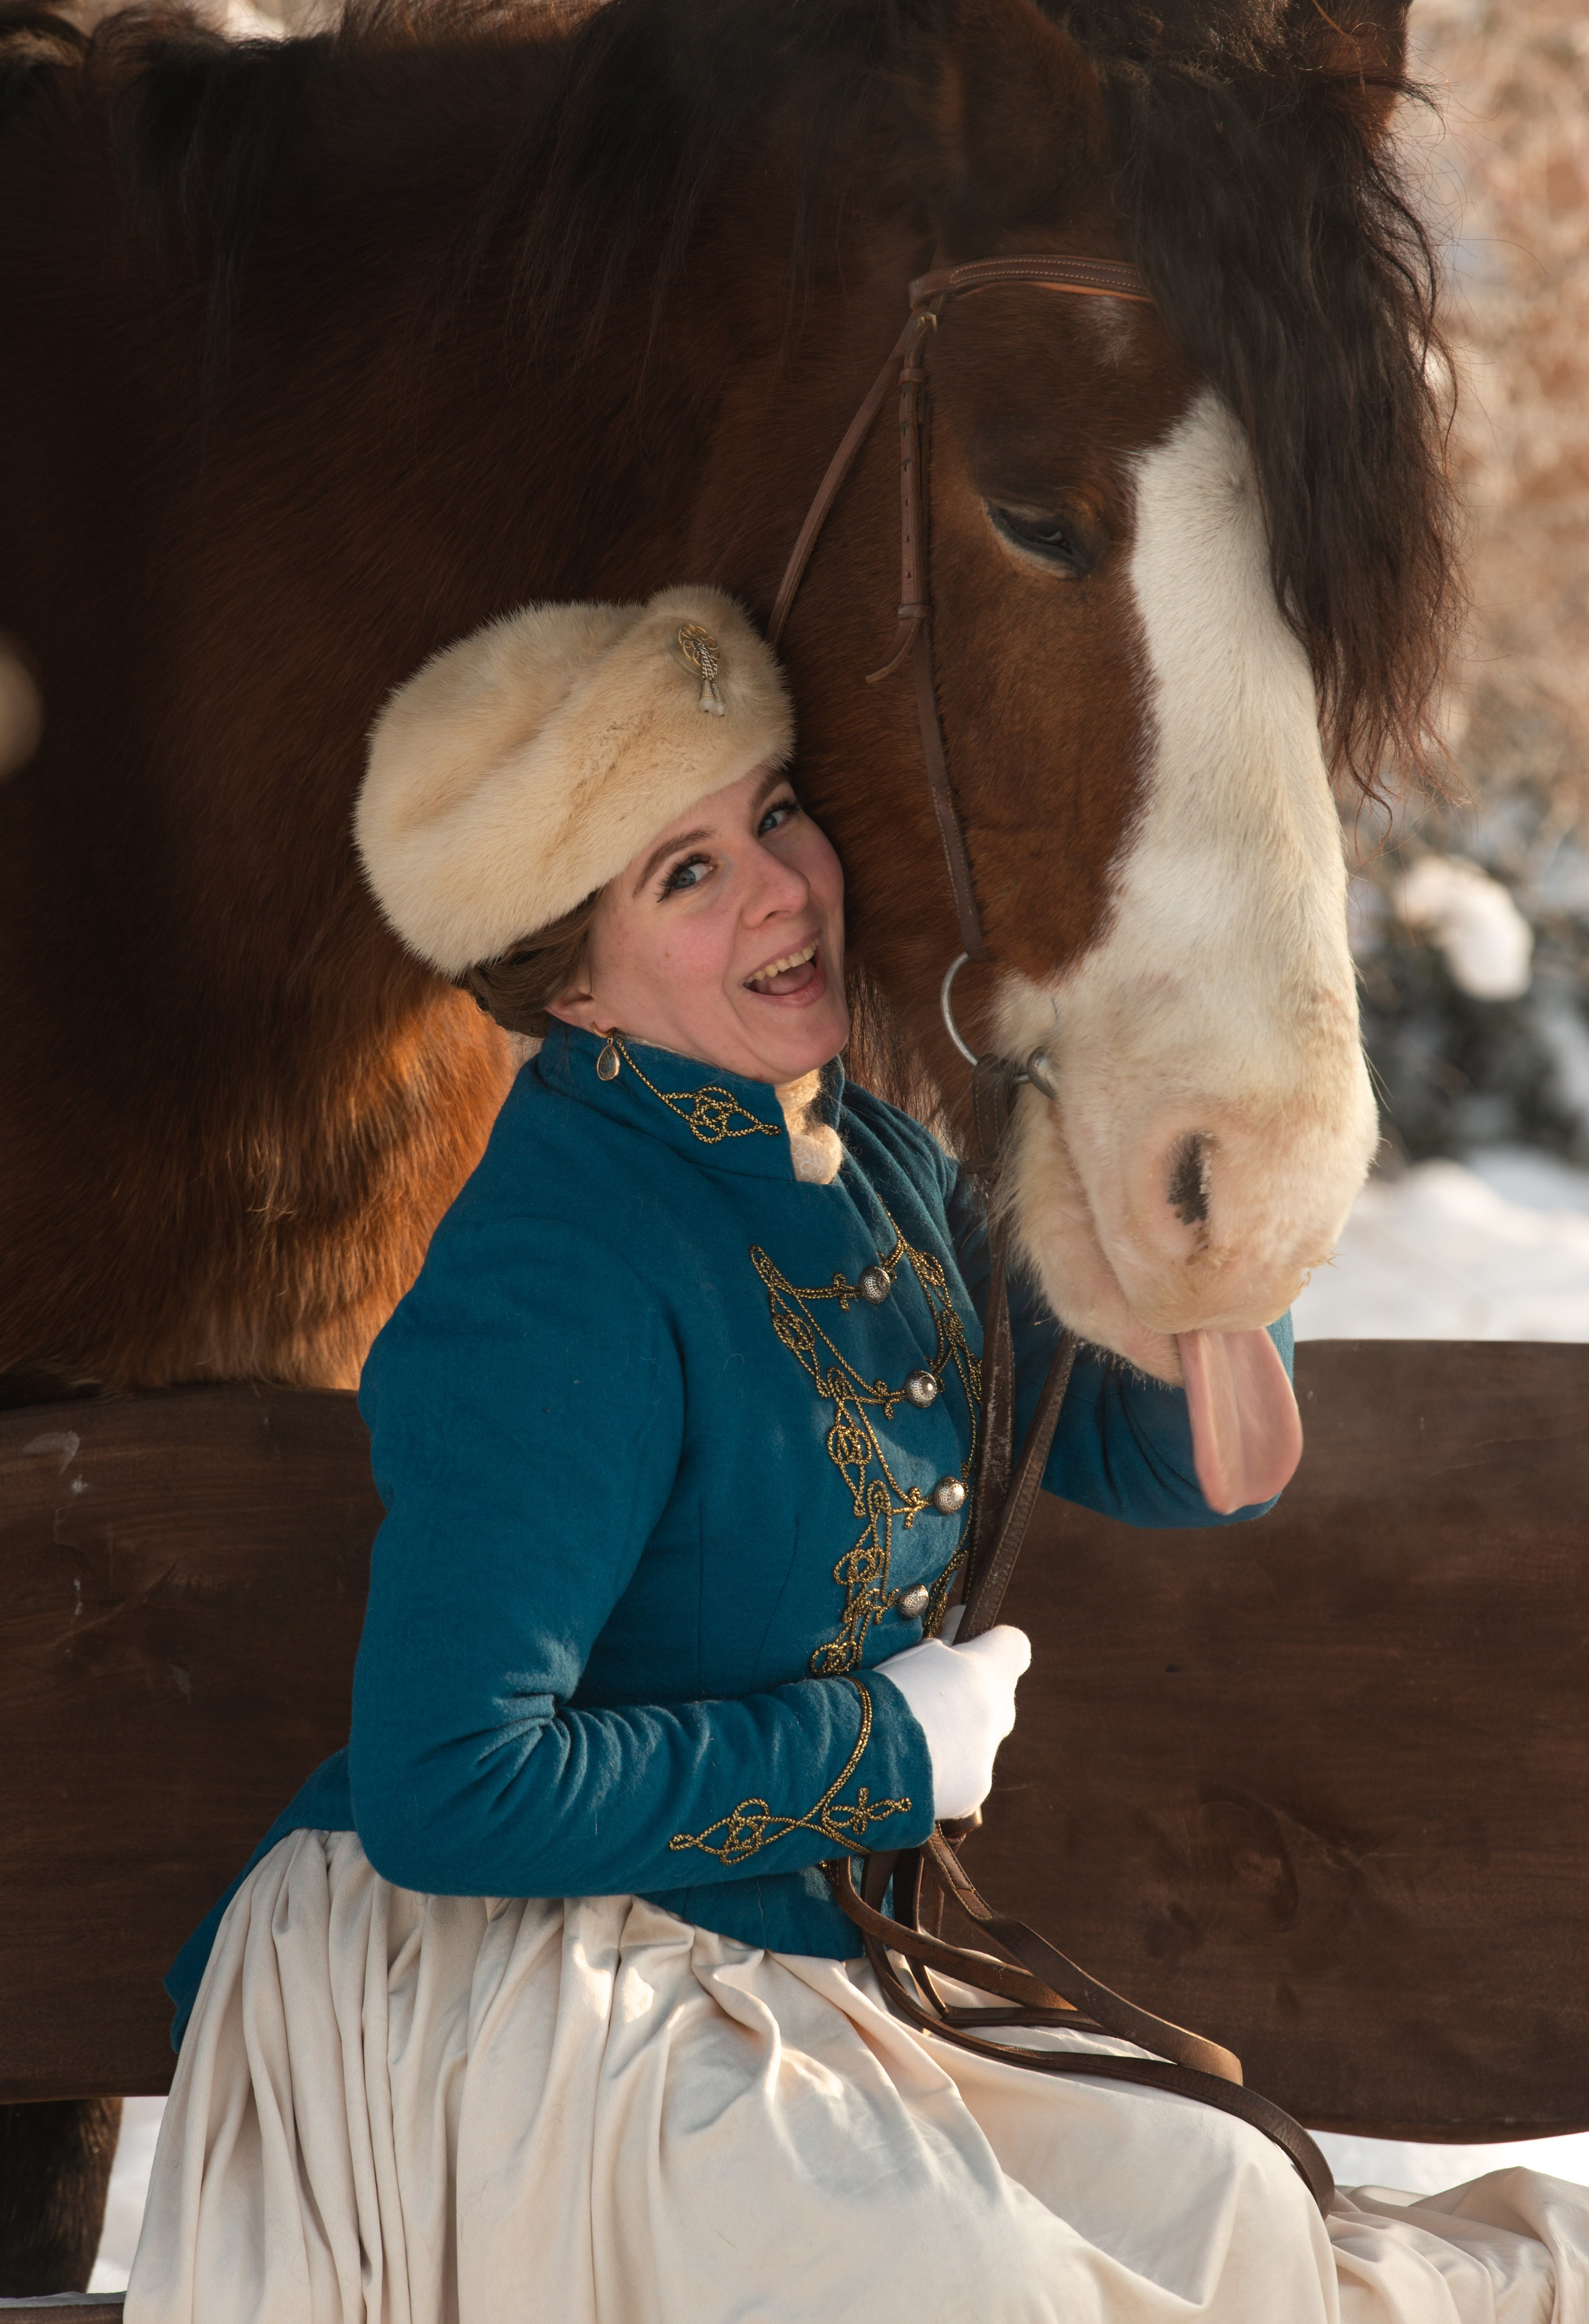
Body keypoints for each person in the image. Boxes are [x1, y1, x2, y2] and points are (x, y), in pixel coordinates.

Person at [128, 588, 1588, 2324]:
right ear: (567, 976)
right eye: (686, 873)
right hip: (509, 1996)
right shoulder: (554, 1272)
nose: (779, 888)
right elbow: (451, 1789)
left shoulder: (876, 1161)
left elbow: (1162, 1455)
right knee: (972, 2290)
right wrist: (883, 1747)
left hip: (765, 1959)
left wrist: (1216, 1214)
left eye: (773, 814)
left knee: (1227, 2208)